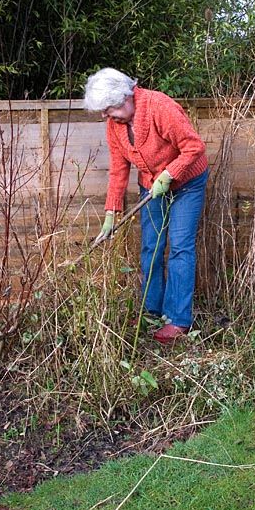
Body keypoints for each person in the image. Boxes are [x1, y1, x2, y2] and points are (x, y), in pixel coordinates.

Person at [83, 68, 209, 344]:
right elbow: (118, 168)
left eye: (107, 109)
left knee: (179, 246)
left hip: (187, 183)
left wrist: (170, 173)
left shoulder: (159, 106)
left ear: (124, 97)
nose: (105, 115)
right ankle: (151, 311)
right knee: (151, 246)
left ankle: (177, 320)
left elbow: (194, 146)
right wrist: (111, 212)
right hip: (151, 185)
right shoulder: (115, 124)